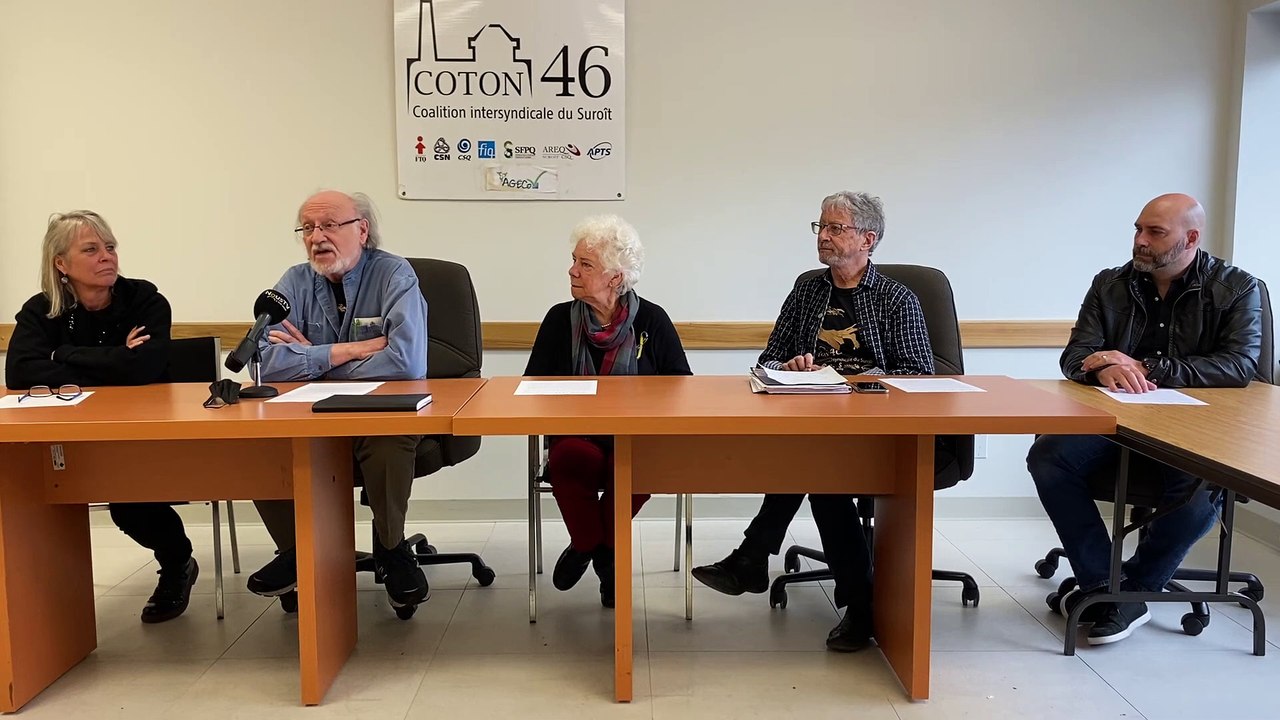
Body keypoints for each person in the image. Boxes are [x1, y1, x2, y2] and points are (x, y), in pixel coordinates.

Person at [691, 191, 934, 652]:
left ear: (868, 240)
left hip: (879, 433)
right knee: (818, 464)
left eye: (836, 228)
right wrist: (792, 366)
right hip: (815, 424)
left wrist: (853, 378)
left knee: (822, 474)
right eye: (821, 227)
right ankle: (853, 603)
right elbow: (769, 358)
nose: (823, 236)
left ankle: (759, 559)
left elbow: (920, 374)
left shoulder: (896, 299)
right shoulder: (807, 291)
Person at [1027, 193, 1263, 645]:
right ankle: (1101, 582)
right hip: (1117, 420)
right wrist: (1100, 365)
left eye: (1155, 232)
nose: (1140, 241)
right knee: (1049, 455)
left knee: (1199, 482)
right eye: (1138, 229)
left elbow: (1238, 366)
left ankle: (1131, 590)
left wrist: (1146, 367)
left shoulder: (1236, 288)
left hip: (1197, 425)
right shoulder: (1110, 284)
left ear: (1190, 239)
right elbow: (1075, 356)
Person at [5, 210, 198, 623]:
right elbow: (20, 373)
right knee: (34, 493)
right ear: (61, 263)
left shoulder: (145, 300)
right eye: (91, 249)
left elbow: (142, 369)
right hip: (69, 437)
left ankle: (178, 561)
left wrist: (61, 354)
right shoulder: (42, 310)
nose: (107, 256)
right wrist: (114, 358)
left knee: (127, 506)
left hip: (148, 430)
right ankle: (49, 611)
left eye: (110, 247)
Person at [245, 190, 431, 611]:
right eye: (308, 228)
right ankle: (297, 551)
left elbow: (406, 362)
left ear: (361, 230)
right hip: (310, 419)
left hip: (378, 415)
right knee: (260, 441)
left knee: (389, 439)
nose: (316, 237)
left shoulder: (394, 275)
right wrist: (348, 351)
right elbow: (265, 364)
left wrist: (311, 360)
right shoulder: (293, 283)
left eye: (329, 225)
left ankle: (392, 547)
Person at [525, 215, 692, 608]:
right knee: (570, 457)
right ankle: (596, 548)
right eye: (574, 261)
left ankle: (594, 548)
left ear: (616, 277)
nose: (572, 270)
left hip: (635, 439)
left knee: (636, 462)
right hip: (577, 436)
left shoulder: (652, 320)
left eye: (585, 264)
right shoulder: (558, 320)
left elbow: (682, 387)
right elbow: (531, 388)